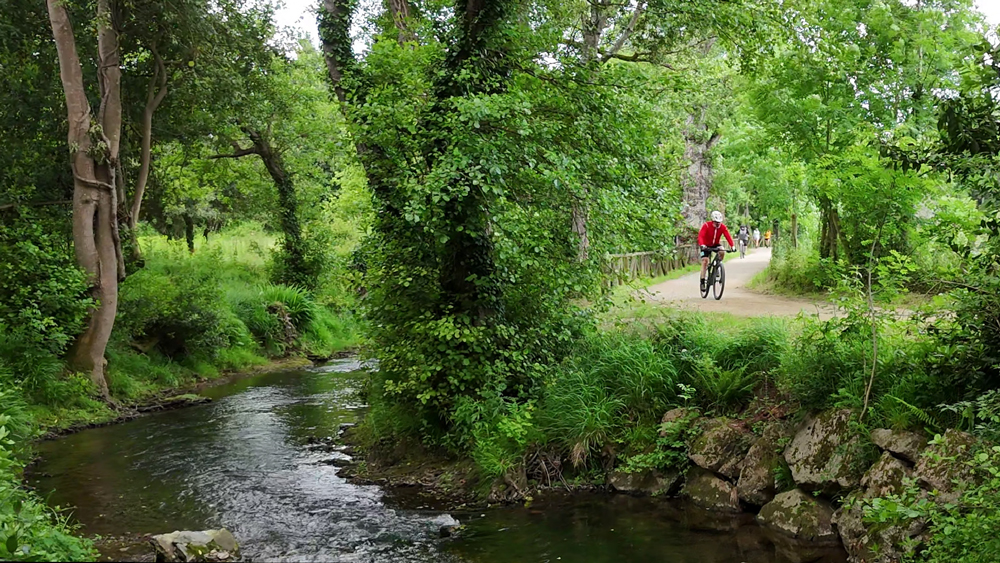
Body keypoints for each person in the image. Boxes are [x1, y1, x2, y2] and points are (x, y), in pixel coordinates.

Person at [698, 210, 734, 292]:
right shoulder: (706, 225)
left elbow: (727, 236)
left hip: (715, 244)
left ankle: (718, 265)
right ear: (712, 221)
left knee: (722, 251)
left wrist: (732, 246)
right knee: (705, 261)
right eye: (716, 222)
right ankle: (702, 282)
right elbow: (701, 236)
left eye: (719, 222)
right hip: (705, 245)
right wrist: (702, 244)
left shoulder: (722, 227)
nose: (718, 224)